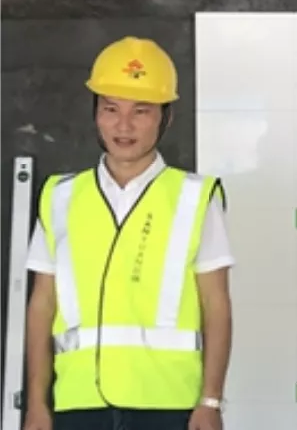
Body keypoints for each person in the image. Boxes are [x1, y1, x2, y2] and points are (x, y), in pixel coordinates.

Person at [21, 36, 235, 430]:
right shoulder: (59, 197)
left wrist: (210, 400)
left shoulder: (195, 197)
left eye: (141, 111)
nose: (123, 125)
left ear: (165, 117)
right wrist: (37, 404)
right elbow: (42, 305)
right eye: (110, 109)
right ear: (95, 113)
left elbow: (216, 303)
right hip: (78, 403)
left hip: (169, 404)